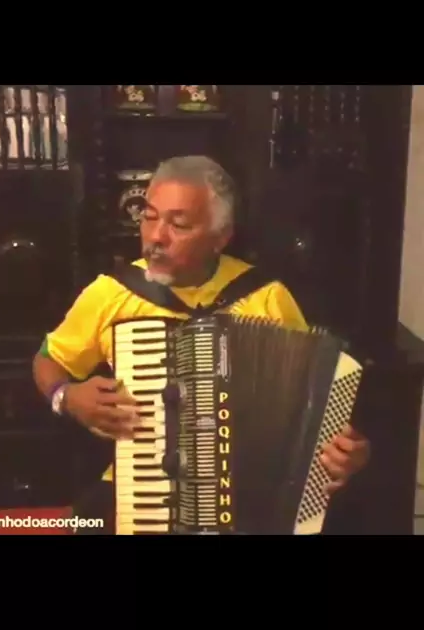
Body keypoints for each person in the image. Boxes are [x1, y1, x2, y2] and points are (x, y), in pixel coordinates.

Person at [32, 155, 370, 531]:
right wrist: (66, 396)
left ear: (220, 237)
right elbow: (48, 358)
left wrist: (345, 453)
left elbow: (312, 408)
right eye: (149, 217)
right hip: (140, 486)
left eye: (178, 224)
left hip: (248, 495)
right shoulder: (111, 293)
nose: (156, 237)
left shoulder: (266, 297)